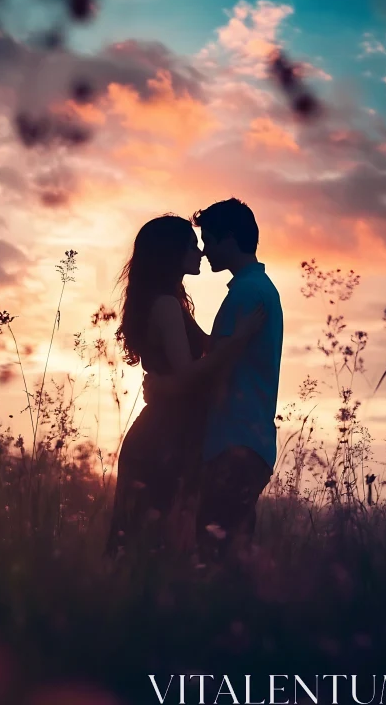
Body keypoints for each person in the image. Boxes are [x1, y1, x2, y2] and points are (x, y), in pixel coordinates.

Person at [105, 214, 264, 559]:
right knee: (148, 545)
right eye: (192, 245)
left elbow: (203, 349)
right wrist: (240, 339)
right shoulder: (164, 305)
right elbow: (190, 374)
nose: (201, 252)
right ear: (172, 251)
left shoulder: (170, 302)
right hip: (163, 438)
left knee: (155, 543)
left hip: (172, 433)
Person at [144, 199, 283, 564]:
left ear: (230, 239)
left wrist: (165, 389)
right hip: (242, 440)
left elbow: (208, 373)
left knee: (216, 560)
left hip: (235, 441)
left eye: (207, 240)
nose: (204, 251)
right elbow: (213, 361)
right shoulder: (253, 290)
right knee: (223, 556)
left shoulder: (246, 295)